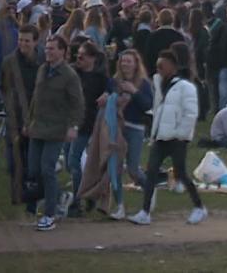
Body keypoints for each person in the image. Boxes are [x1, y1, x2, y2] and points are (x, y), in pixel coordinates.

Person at [128, 49, 205, 226]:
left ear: (173, 66)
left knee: (181, 173)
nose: (159, 69)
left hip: (177, 139)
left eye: (162, 65)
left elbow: (190, 113)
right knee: (152, 171)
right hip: (161, 137)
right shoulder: (159, 85)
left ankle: (199, 207)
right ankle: (145, 212)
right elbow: (158, 111)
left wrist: (181, 135)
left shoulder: (186, 88)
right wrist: (154, 133)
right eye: (157, 66)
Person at [25, 35, 83, 232]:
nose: (48, 51)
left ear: (63, 51)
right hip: (38, 126)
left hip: (56, 128)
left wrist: (73, 126)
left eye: (52, 49)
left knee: (47, 168)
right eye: (47, 48)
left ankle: (49, 215)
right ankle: (60, 196)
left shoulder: (69, 75)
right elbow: (35, 97)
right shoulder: (42, 69)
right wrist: (29, 121)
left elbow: (77, 103)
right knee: (33, 170)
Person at [68, 41, 113, 217]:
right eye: (77, 55)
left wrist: (107, 94)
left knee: (73, 161)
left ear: (92, 58)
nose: (78, 59)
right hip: (71, 122)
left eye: (82, 56)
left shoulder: (100, 77)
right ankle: (89, 193)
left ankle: (77, 201)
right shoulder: (74, 72)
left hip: (87, 123)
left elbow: (112, 86)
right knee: (70, 163)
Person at [1, 24, 42, 206]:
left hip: (37, 117)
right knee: (13, 161)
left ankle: (33, 196)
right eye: (20, 40)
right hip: (15, 117)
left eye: (27, 41)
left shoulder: (42, 61)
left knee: (33, 163)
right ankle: (17, 197)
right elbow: (3, 87)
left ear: (35, 42)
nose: (22, 44)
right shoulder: (9, 62)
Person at [110, 49, 154, 191]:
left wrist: (134, 91)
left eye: (129, 61)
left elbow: (148, 105)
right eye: (123, 61)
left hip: (135, 128)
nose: (125, 64)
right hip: (117, 127)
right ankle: (119, 204)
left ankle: (149, 190)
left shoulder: (143, 83)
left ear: (136, 64)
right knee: (115, 167)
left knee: (133, 169)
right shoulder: (114, 82)